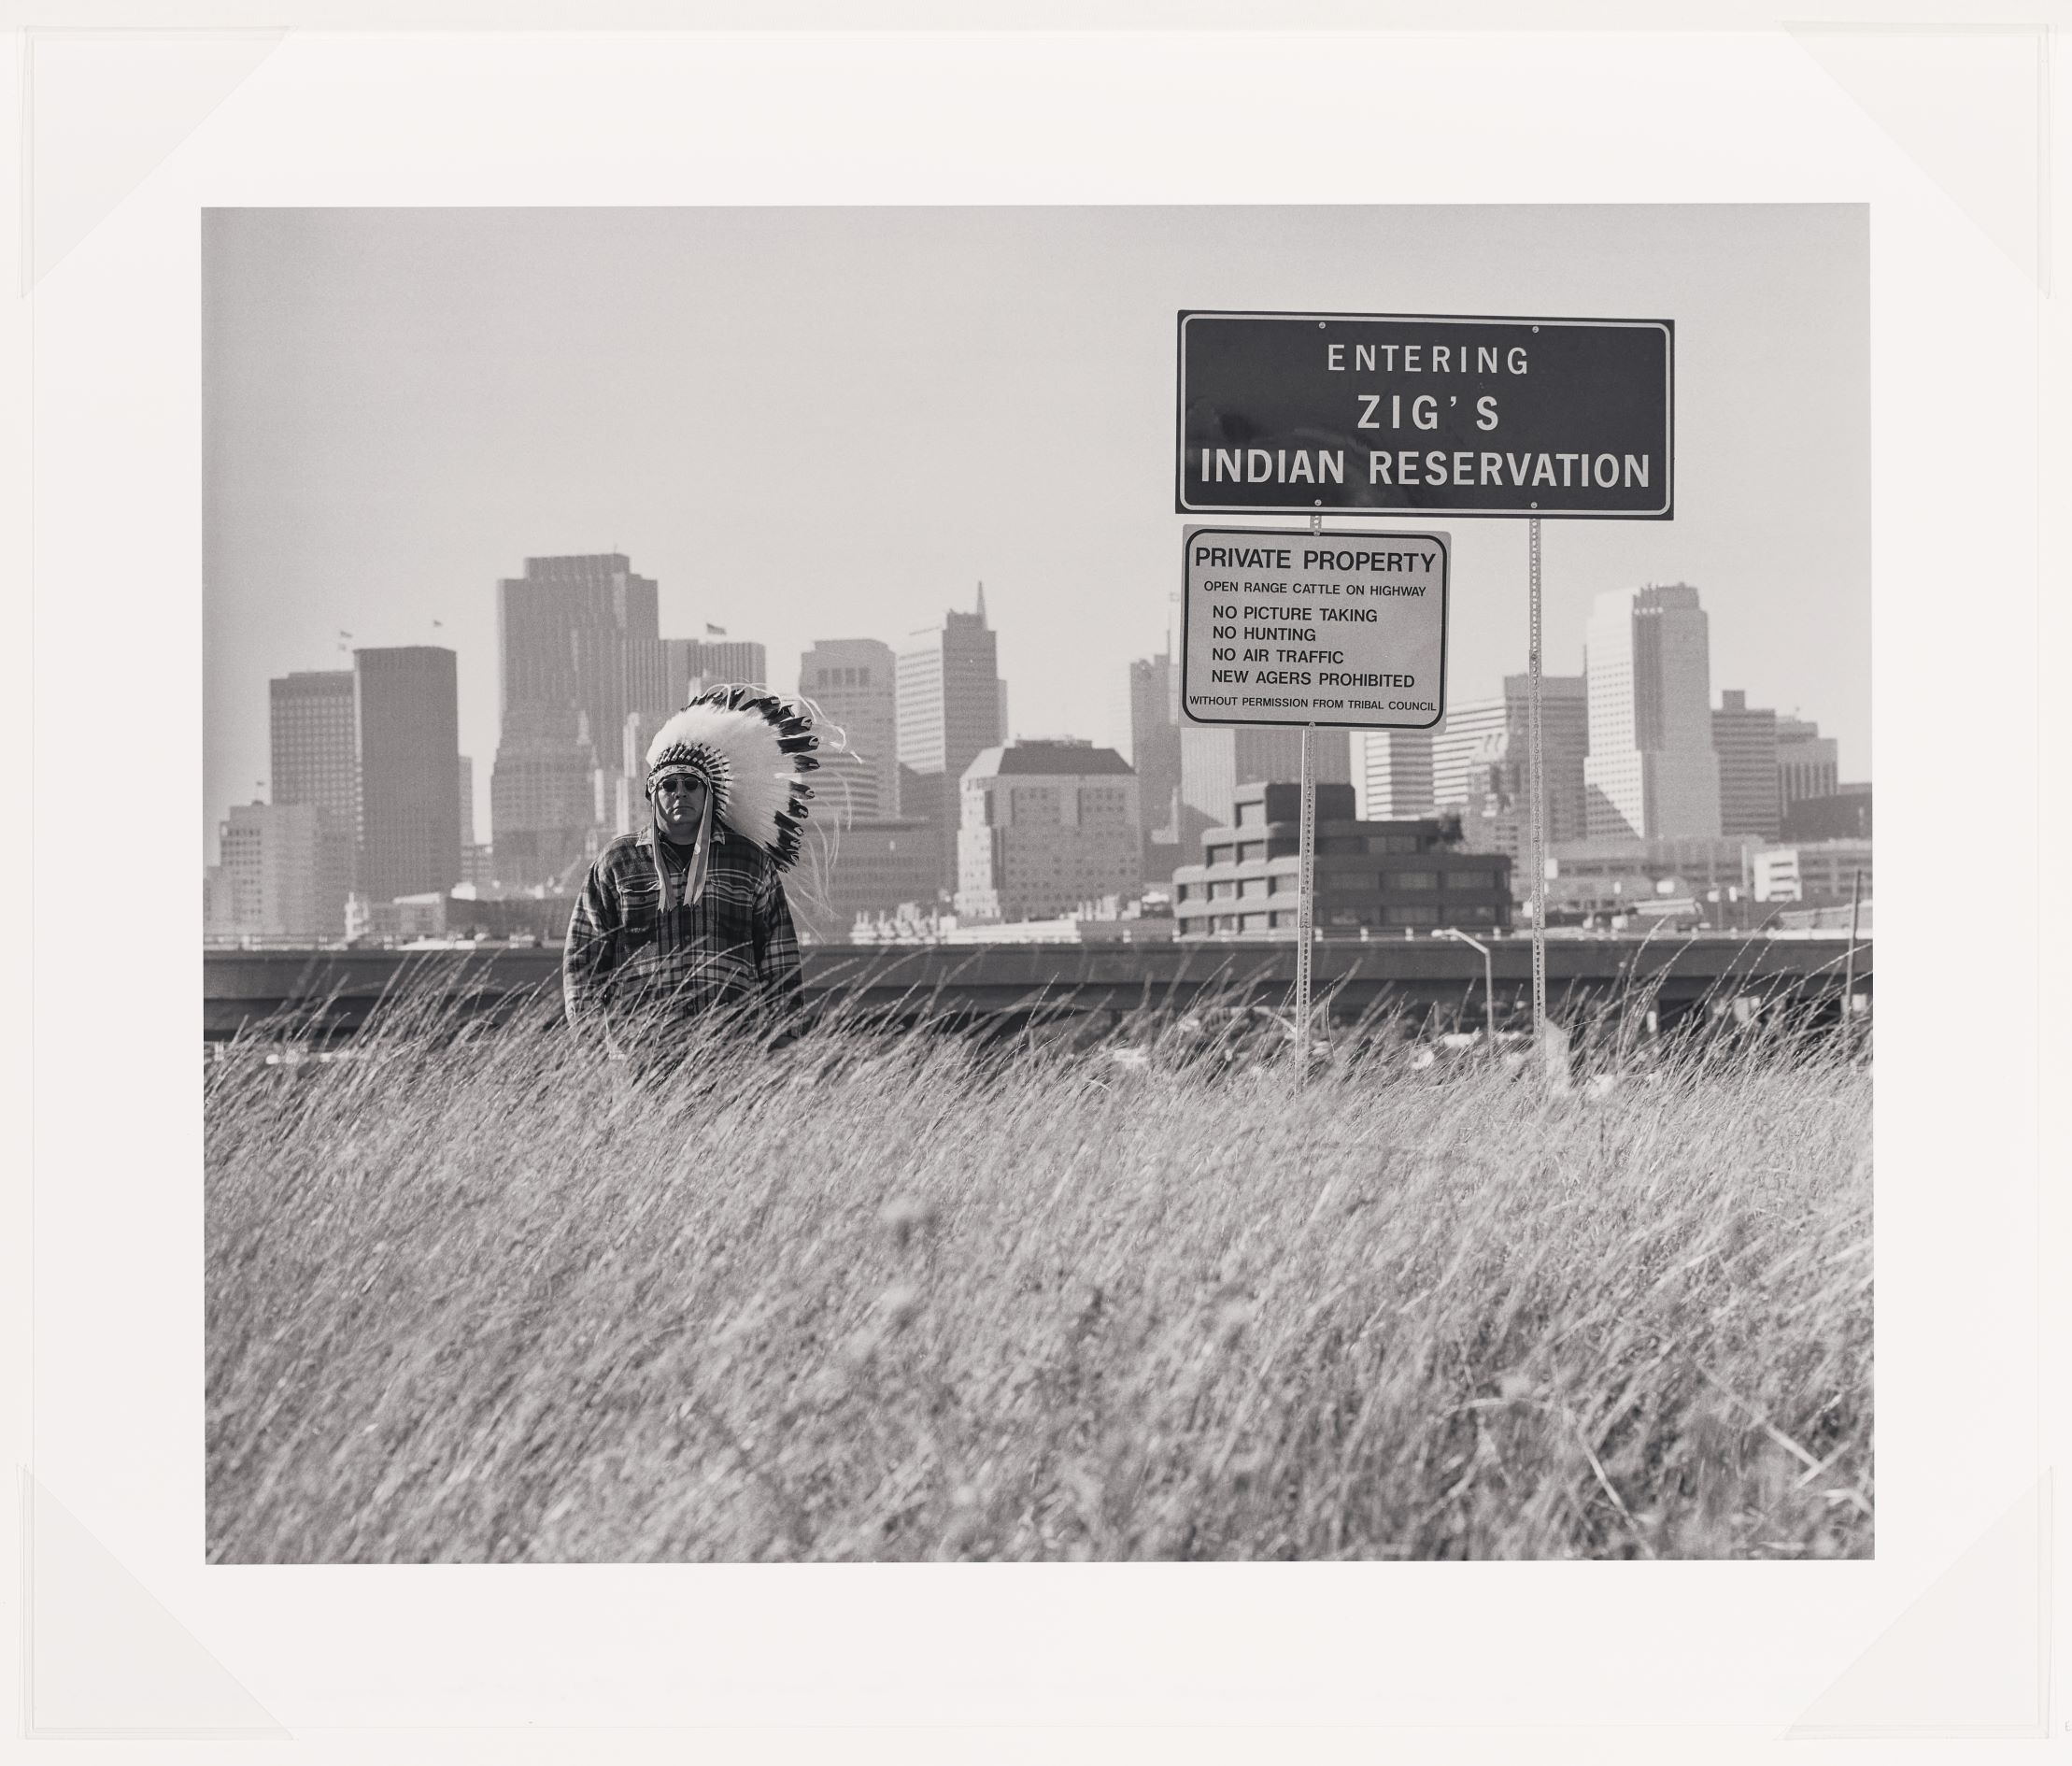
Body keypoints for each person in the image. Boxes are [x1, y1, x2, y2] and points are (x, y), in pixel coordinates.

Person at [562, 685, 817, 1058]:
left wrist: (785, 1038)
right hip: (642, 1051)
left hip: (731, 1048)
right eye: (668, 784)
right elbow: (583, 956)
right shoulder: (618, 863)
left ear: (709, 793)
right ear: (653, 794)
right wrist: (589, 1040)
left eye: (691, 784)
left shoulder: (747, 862)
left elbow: (778, 956)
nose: (679, 792)